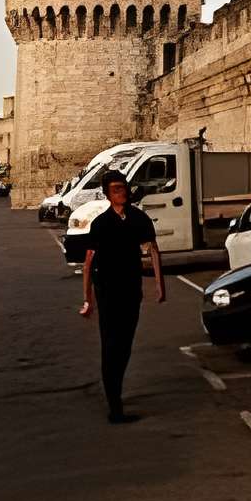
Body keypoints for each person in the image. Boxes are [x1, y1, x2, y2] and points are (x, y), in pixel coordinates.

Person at [76, 167, 164, 422]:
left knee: (124, 345)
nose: (121, 193)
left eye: (123, 188)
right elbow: (88, 262)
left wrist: (160, 285)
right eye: (115, 190)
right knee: (111, 345)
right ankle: (115, 406)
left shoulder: (138, 219)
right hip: (107, 291)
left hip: (130, 290)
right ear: (107, 195)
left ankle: (116, 390)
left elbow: (153, 250)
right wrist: (87, 299)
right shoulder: (101, 224)